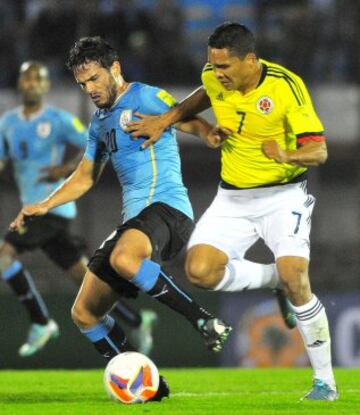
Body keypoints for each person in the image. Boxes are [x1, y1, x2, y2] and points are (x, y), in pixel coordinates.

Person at [10, 37, 232, 401]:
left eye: (95, 79)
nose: (90, 90)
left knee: (124, 257)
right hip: (135, 222)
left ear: (114, 68)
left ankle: (205, 320)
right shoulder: (99, 123)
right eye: (82, 84)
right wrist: (43, 204)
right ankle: (149, 387)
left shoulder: (145, 96)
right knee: (83, 314)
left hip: (168, 210)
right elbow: (84, 177)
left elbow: (182, 116)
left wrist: (209, 134)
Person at [125, 22, 338, 401]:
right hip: (233, 198)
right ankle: (275, 281)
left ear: (250, 60)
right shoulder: (213, 76)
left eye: (225, 67)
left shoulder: (285, 87)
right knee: (199, 271)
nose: (217, 73)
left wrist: (287, 154)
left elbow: (319, 151)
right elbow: (200, 96)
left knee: (297, 278)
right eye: (214, 65)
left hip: (283, 195)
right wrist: (166, 119)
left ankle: (325, 382)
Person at [0, 61, 157, 357]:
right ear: (19, 84)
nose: (32, 83)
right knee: (84, 279)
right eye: (27, 78)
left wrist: (65, 167)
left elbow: (93, 145)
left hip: (52, 210)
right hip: (33, 210)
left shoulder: (58, 120)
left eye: (38, 78)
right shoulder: (7, 123)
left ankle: (40, 321)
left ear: (46, 86)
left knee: (4, 256)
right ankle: (136, 320)